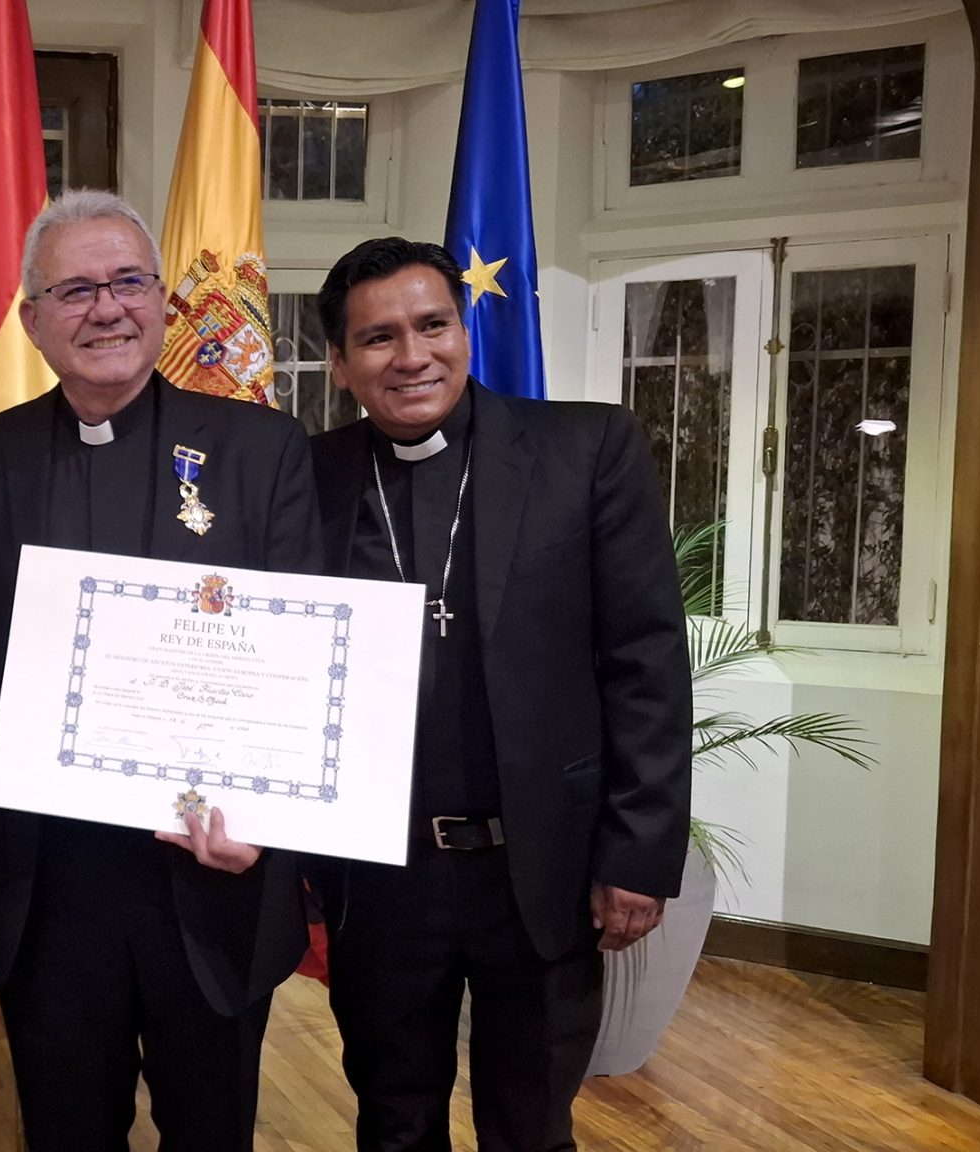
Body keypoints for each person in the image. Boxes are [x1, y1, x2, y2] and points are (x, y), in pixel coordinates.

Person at [0, 188, 324, 1152]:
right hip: (49, 888)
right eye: (74, 290)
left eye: (127, 282)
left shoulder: (261, 449)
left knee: (213, 1135)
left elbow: (298, 660)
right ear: (32, 320)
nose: (106, 308)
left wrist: (264, 820)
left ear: (163, 301)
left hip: (213, 872)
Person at [307, 236, 692, 1151]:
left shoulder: (586, 448)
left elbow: (644, 659)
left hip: (541, 870)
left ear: (464, 330)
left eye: (433, 325)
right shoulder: (307, 475)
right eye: (378, 338)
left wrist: (638, 853)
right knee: (393, 1120)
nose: (412, 356)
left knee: (532, 1124)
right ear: (340, 363)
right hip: (382, 877)